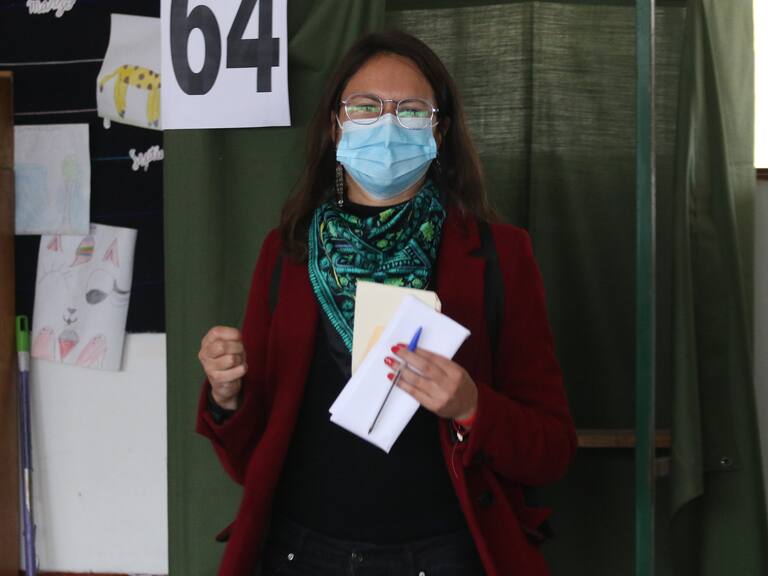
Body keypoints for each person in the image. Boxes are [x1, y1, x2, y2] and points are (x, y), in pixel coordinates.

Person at [197, 30, 576, 576]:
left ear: (439, 131)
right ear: (336, 124)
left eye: (412, 110)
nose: (389, 125)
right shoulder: (289, 252)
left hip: (444, 556)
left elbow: (552, 448)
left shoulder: (501, 256)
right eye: (367, 107)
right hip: (299, 554)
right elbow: (248, 459)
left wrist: (472, 405)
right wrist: (226, 395)